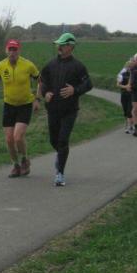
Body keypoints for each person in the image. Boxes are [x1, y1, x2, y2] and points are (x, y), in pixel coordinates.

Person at [36, 32, 92, 186]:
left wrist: (75, 90)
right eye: (58, 44)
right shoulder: (50, 65)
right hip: (53, 109)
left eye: (62, 44)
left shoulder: (78, 66)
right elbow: (43, 82)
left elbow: (88, 84)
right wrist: (45, 93)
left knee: (63, 140)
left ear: (70, 46)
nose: (59, 47)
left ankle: (60, 173)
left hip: (70, 110)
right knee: (53, 140)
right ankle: (60, 156)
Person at [0, 38, 40, 176]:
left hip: (25, 105)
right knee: (9, 140)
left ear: (19, 50)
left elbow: (40, 80)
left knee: (18, 137)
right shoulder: (0, 66)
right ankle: (16, 165)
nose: (12, 52)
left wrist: (37, 99)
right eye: (10, 49)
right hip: (9, 105)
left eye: (14, 49)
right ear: (6, 50)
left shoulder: (28, 65)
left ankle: (24, 160)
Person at [116, 58, 134, 133]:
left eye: (131, 66)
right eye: (128, 66)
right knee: (125, 111)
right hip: (124, 94)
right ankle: (126, 125)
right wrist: (125, 86)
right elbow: (118, 84)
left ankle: (131, 126)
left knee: (129, 111)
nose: (129, 68)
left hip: (132, 95)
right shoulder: (122, 74)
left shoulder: (134, 75)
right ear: (126, 67)